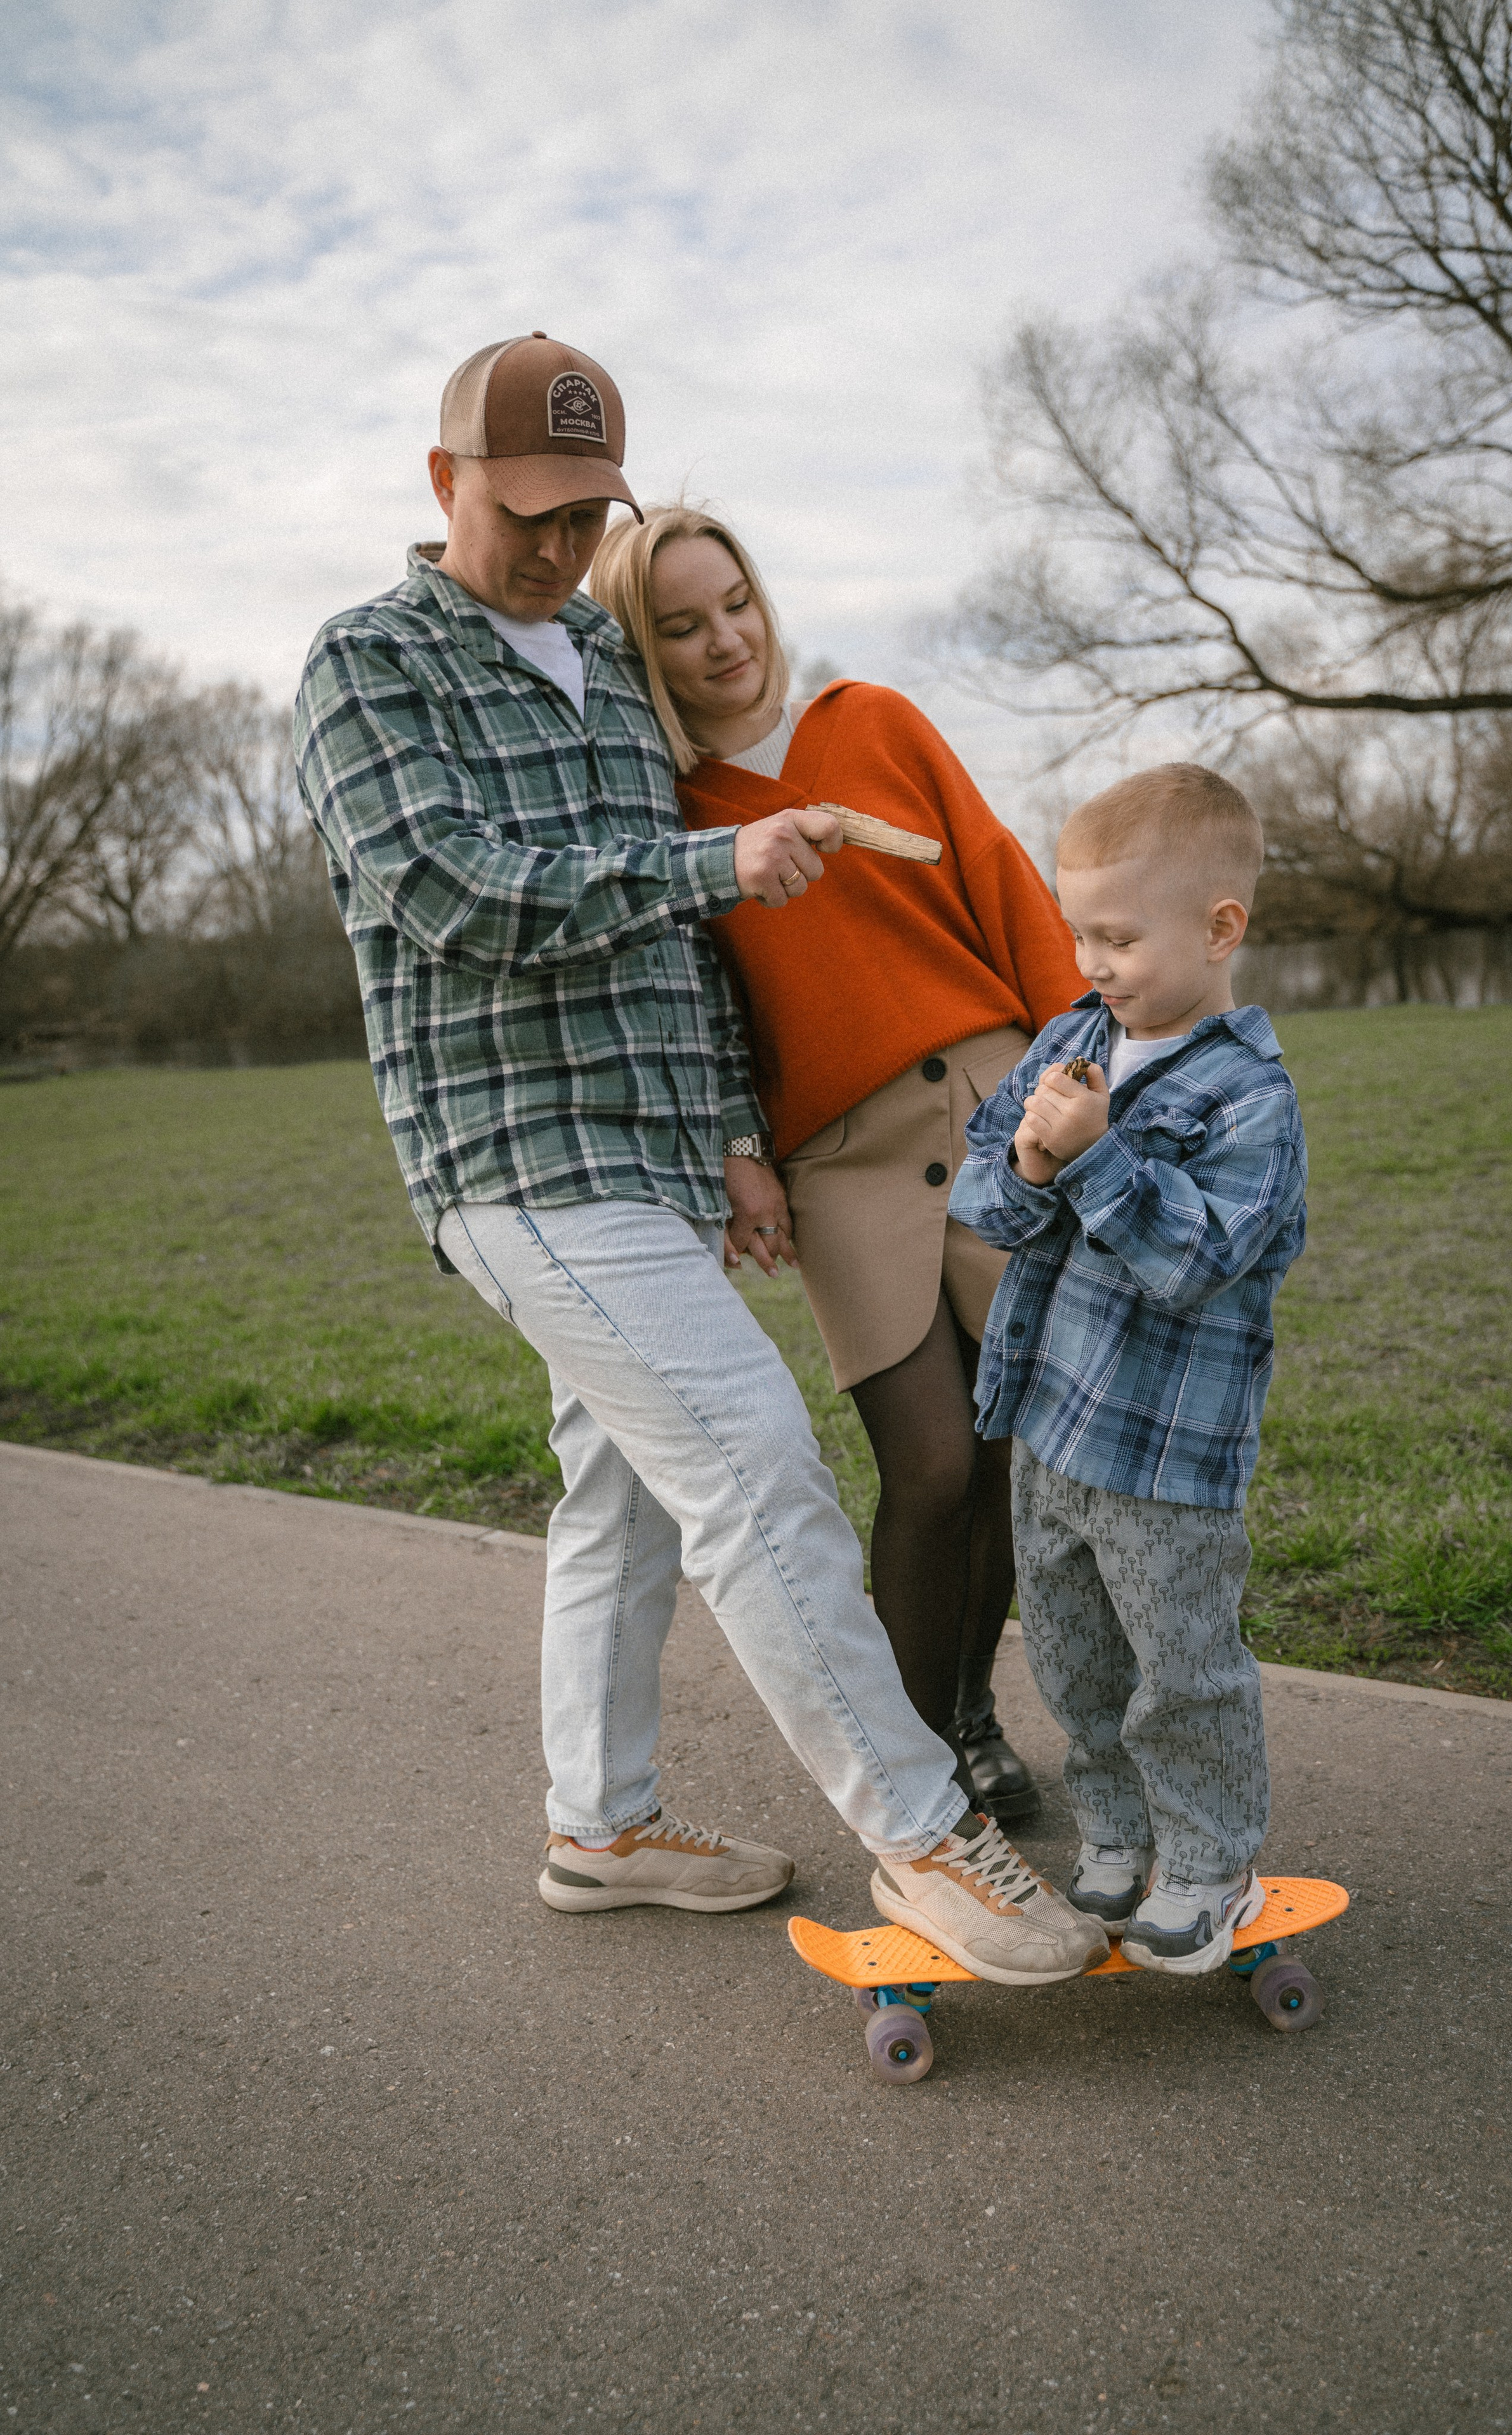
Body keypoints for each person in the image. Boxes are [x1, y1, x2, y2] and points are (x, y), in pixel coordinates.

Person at [293, 328, 1103, 1989]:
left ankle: (601, 1825)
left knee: (619, 1492)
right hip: (520, 1152)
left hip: (656, 1158)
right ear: (444, 480)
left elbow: (681, 955)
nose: (555, 544)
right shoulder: (371, 664)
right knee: (750, 1455)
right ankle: (925, 1828)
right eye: (524, 509)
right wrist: (717, 861)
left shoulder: (606, 663)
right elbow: (449, 888)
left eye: (584, 512)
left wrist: (732, 1132)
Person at [589, 502, 1081, 1820]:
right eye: (680, 626)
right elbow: (699, 1009)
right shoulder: (675, 817)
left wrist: (1082, 1072)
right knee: (930, 1464)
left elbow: (1005, 885)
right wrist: (740, 1148)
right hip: (842, 1162)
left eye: (734, 603)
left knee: (1008, 1457)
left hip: (998, 1112)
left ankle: (970, 1718)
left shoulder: (875, 722)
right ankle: (915, 1788)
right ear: (642, 648)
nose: (724, 640)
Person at [949, 765, 1308, 1974]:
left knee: (1182, 1665)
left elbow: (1196, 1263)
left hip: (1165, 1448)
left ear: (1220, 928)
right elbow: (986, 1195)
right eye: (1079, 933)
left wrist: (1095, 1158)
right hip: (1051, 1421)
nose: (1092, 961)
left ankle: (1209, 1860)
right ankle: (1115, 1829)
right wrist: (1034, 1164)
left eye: (1118, 937)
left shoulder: (1251, 1099)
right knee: (1073, 1654)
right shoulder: (1074, 1037)